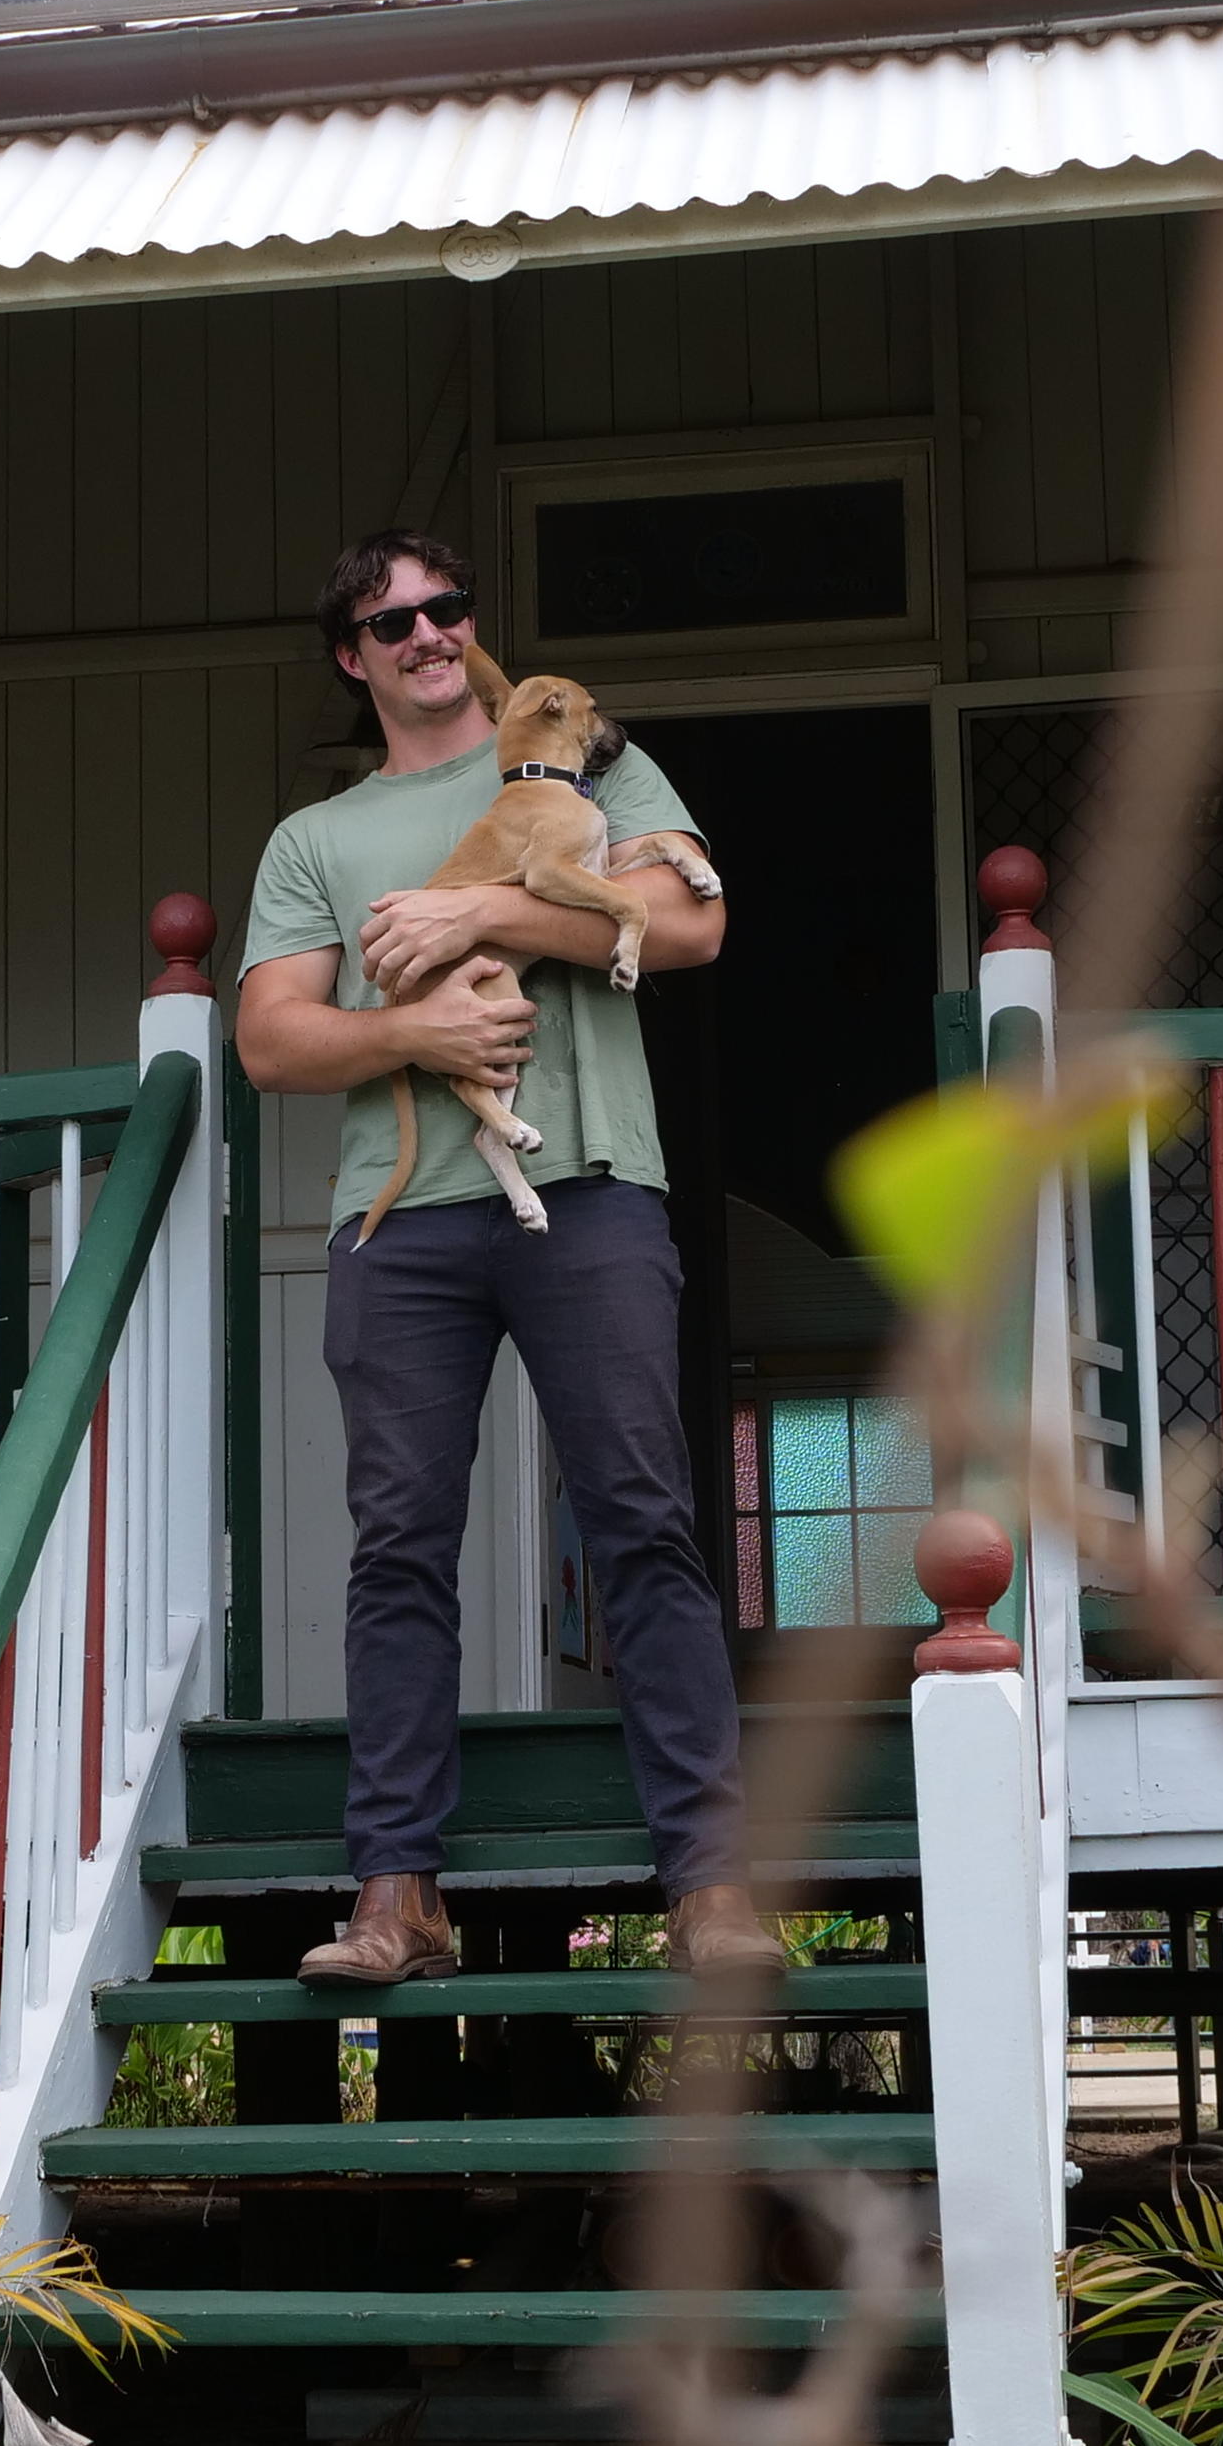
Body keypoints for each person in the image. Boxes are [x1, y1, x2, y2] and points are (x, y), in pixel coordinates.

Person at [235, 531, 781, 1986]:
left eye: (445, 609)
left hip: (590, 1188)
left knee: (646, 1519)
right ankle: (397, 1894)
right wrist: (413, 1033)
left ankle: (712, 1890)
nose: (425, 634)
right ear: (352, 656)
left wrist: (484, 909)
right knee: (399, 1546)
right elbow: (272, 1034)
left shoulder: (593, 770)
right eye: (389, 619)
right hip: (397, 1213)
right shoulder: (318, 839)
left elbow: (692, 921)